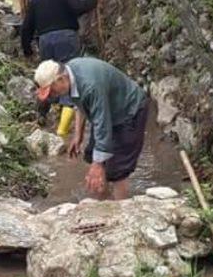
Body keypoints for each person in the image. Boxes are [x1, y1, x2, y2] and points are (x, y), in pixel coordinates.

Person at [33, 57, 149, 200]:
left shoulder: (90, 85)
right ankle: (104, 202)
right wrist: (78, 135)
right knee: (94, 155)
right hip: (107, 109)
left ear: (61, 79)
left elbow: (102, 123)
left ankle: (120, 212)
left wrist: (98, 164)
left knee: (119, 168)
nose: (51, 96)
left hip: (129, 110)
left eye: (51, 91)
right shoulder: (71, 75)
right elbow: (80, 104)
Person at [20, 0, 98, 62]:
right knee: (69, 72)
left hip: (45, 41)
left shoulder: (36, 0)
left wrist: (28, 51)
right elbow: (79, 8)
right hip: (68, 37)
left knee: (52, 75)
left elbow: (26, 28)